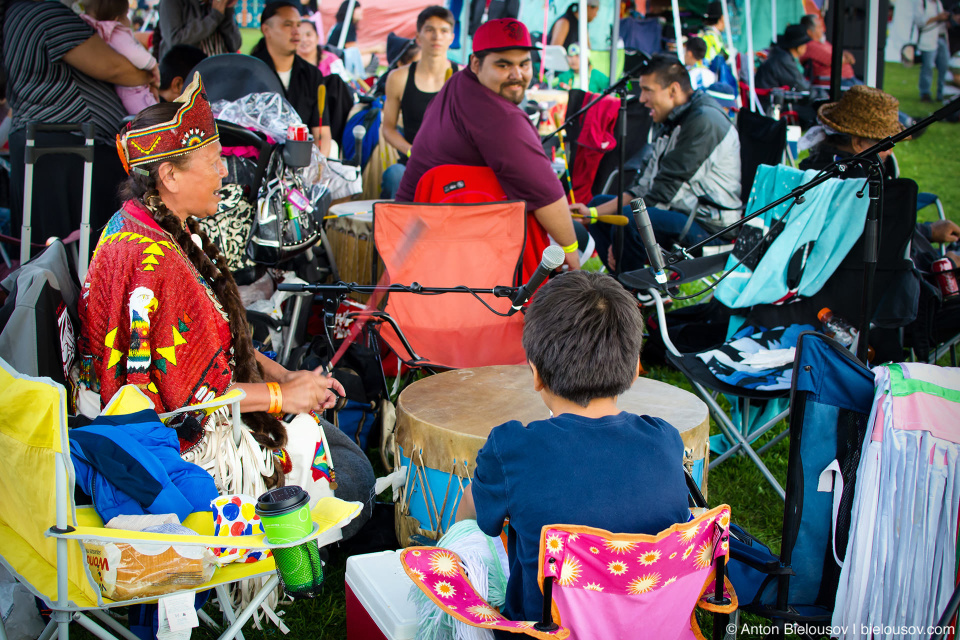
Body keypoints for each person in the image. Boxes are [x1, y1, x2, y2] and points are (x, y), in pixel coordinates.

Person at [78, 74, 375, 527]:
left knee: (344, 457)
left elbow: (209, 340)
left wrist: (285, 376)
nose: (224, 171)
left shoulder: (154, 227)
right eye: (215, 160)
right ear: (170, 175)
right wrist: (281, 396)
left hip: (203, 415)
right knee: (353, 478)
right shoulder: (149, 258)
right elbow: (188, 403)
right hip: (179, 445)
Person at [456, 270, 690, 623]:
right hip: (652, 627)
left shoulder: (511, 448)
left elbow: (477, 523)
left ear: (535, 374)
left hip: (543, 631)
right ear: (633, 372)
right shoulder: (666, 439)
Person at [395, 18, 581, 272]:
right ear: (475, 63)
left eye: (524, 64)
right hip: (447, 248)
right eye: (503, 65)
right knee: (577, 240)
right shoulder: (501, 119)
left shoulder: (458, 83)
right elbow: (545, 193)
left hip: (415, 233)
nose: (517, 75)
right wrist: (571, 250)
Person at [4, 0, 157, 255]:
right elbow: (117, 68)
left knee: (53, 257)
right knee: (73, 256)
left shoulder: (22, 11)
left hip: (55, 148)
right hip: (68, 150)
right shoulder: (46, 13)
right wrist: (149, 74)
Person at [571, 54, 741, 274]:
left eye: (647, 90)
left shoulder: (703, 121)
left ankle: (634, 293)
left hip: (710, 227)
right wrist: (592, 212)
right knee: (601, 205)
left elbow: (663, 193)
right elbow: (643, 187)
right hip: (680, 212)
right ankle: (631, 287)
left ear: (673, 90)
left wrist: (620, 238)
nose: (641, 99)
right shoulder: (674, 117)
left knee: (630, 222)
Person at [798, 84, 960, 267]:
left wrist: (927, 230)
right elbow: (893, 257)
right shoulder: (860, 188)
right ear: (858, 143)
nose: (890, 152)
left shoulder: (818, 166)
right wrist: (947, 264)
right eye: (887, 144)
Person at [380, 6, 458, 199]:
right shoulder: (398, 77)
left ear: (452, 37)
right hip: (412, 163)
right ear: (418, 36)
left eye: (443, 31)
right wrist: (411, 151)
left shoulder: (463, 78)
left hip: (453, 165)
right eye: (430, 30)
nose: (436, 37)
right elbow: (388, 128)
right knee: (394, 175)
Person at [251, 1, 332, 156]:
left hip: (302, 162)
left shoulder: (312, 75)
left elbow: (321, 133)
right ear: (266, 30)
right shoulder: (250, 72)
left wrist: (315, 167)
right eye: (288, 25)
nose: (296, 32)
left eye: (298, 25)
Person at [81, 0, 159, 115]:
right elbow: (137, 56)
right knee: (151, 120)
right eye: (126, 15)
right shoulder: (116, 33)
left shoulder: (98, 31)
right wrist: (153, 65)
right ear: (117, 19)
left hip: (119, 91)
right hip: (134, 90)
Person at [157, 0, 242, 58]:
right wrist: (214, 17)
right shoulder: (172, 2)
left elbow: (235, 45)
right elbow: (175, 39)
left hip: (217, 73)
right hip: (188, 76)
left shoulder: (215, 4)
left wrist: (227, 9)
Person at [799, 14, 859, 87]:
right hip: (837, 82)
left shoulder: (823, 43)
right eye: (819, 27)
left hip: (847, 80)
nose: (823, 29)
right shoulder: (810, 45)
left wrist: (844, 56)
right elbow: (834, 59)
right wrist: (846, 57)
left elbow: (837, 54)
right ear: (810, 32)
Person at [755, 24, 812, 92]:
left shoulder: (780, 54)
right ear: (799, 47)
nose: (806, 47)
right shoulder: (784, 60)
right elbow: (801, 85)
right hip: (769, 99)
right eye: (804, 44)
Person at [913, 0, 951, 102]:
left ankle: (942, 93)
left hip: (941, 37)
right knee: (928, 66)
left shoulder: (938, 3)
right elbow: (919, 22)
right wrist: (938, 18)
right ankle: (925, 93)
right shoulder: (922, 3)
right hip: (928, 39)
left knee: (944, 66)